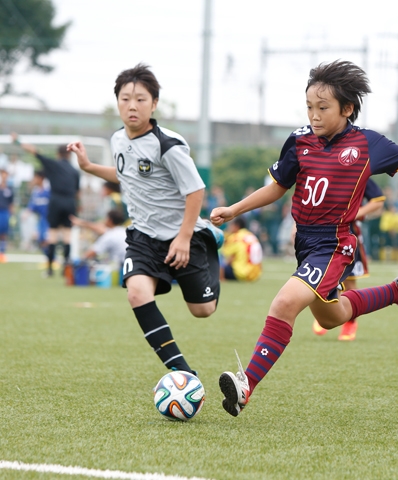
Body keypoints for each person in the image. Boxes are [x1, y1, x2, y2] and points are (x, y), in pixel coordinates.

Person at [210, 60, 398, 417]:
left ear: (347, 108)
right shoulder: (299, 140)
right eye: (309, 107)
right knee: (333, 316)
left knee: (284, 303)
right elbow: (277, 188)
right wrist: (234, 210)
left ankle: (246, 386)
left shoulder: (367, 144)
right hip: (306, 244)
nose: (314, 115)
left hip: (334, 244)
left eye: (323, 108)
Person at [66, 63, 223, 377]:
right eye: (125, 99)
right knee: (137, 293)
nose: (132, 105)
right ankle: (182, 375)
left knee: (203, 310)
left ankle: (208, 242)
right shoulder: (117, 140)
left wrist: (183, 238)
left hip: (183, 235)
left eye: (140, 99)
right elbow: (125, 174)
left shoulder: (169, 145)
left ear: (154, 104)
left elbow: (196, 190)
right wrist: (89, 167)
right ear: (118, 103)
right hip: (142, 236)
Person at [312, 178, 386, 341]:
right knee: (318, 275)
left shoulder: (359, 170)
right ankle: (325, 311)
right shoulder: (319, 168)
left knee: (350, 282)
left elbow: (378, 201)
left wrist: (354, 213)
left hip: (348, 235)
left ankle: (350, 323)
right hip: (319, 232)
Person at [11, 134, 80, 276]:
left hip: (55, 200)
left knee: (52, 235)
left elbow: (34, 151)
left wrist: (18, 141)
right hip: (70, 202)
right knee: (67, 236)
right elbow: (78, 193)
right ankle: (65, 269)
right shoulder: (75, 171)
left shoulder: (53, 164)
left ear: (57, 154)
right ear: (68, 155)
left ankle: (49, 269)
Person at [219, 216, 263, 282]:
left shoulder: (235, 238)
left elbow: (229, 259)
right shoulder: (251, 236)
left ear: (236, 226)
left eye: (231, 225)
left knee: (215, 266)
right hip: (255, 275)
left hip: (241, 273)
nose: (229, 227)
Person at [27, 170, 50, 255]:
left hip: (49, 219)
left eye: (35, 178)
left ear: (40, 178)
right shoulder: (36, 192)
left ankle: (53, 260)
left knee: (47, 240)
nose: (34, 180)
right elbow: (32, 206)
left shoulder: (48, 190)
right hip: (41, 220)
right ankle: (49, 260)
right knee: (41, 240)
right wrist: (27, 212)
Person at [0, 169, 13, 263]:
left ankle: (2, 253)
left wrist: (11, 214)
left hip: (4, 212)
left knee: (3, 234)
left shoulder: (9, 189)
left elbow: (11, 203)